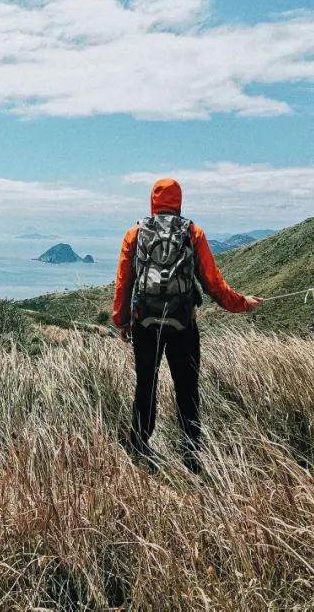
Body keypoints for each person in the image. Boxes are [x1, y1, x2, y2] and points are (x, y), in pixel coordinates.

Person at [112, 178, 262, 474]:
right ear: (179, 201)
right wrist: (241, 302)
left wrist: (122, 321)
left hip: (146, 325)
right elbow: (213, 283)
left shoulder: (134, 233)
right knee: (187, 390)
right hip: (183, 325)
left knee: (146, 386)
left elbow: (123, 283)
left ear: (152, 201)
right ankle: (191, 456)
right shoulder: (193, 232)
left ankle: (141, 449)